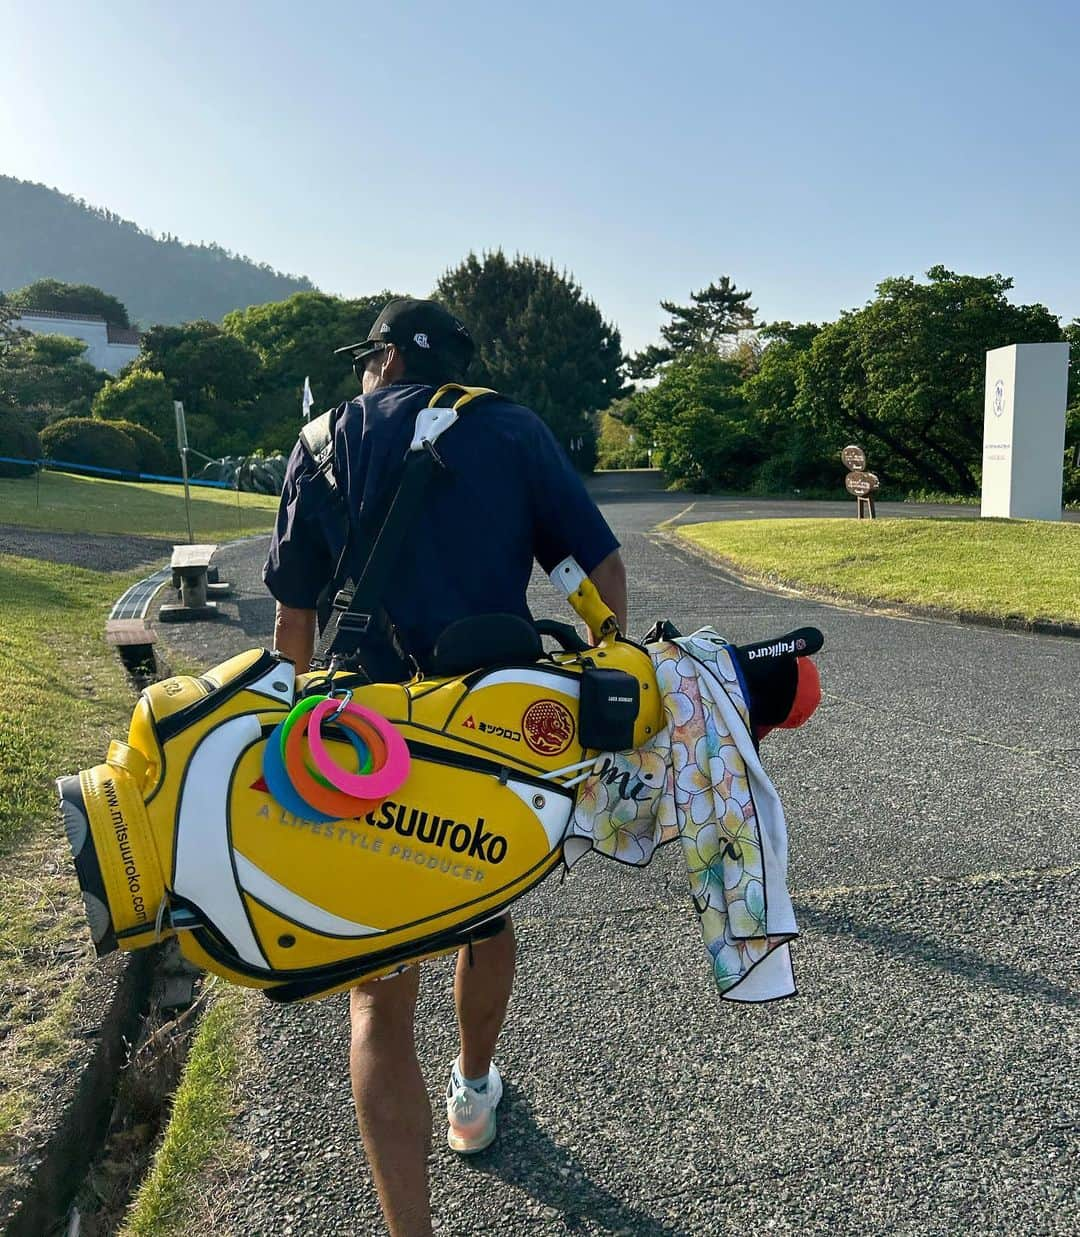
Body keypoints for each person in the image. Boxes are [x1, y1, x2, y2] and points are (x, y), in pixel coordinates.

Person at [264, 297, 627, 1237]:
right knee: (481, 910)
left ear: (382, 358)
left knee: (379, 999)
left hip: (357, 742)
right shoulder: (511, 427)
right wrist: (604, 669)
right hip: (484, 732)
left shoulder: (320, 439)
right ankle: (472, 1089)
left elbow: (292, 629)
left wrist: (284, 739)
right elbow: (595, 574)